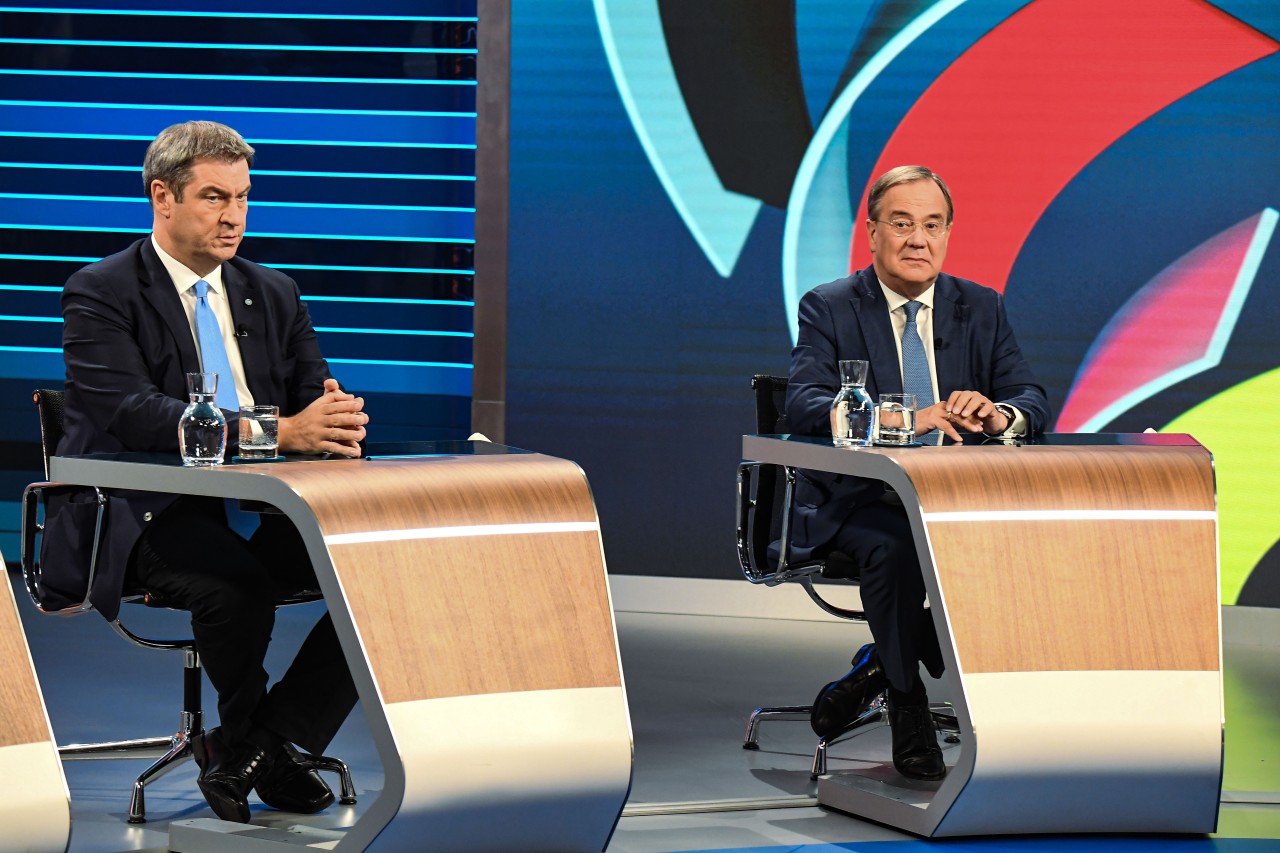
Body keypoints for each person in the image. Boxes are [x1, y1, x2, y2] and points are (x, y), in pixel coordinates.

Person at [43, 120, 370, 822]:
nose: (234, 217)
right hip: (140, 511)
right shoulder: (100, 292)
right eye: (215, 198)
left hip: (260, 504)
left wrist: (335, 423)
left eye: (244, 199)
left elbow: (316, 395)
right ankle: (262, 751)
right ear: (162, 196)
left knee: (375, 574)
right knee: (236, 586)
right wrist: (281, 432)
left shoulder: (274, 291)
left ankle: (263, 746)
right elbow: (136, 414)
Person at [785, 165, 1051, 779]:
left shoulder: (979, 307)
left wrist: (997, 414)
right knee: (898, 546)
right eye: (901, 224)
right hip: (859, 503)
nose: (917, 240)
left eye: (932, 225)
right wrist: (902, 419)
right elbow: (803, 404)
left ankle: (879, 666)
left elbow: (1031, 399)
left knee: (1034, 541)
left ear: (948, 234)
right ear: (872, 233)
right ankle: (908, 705)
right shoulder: (830, 307)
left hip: (956, 501)